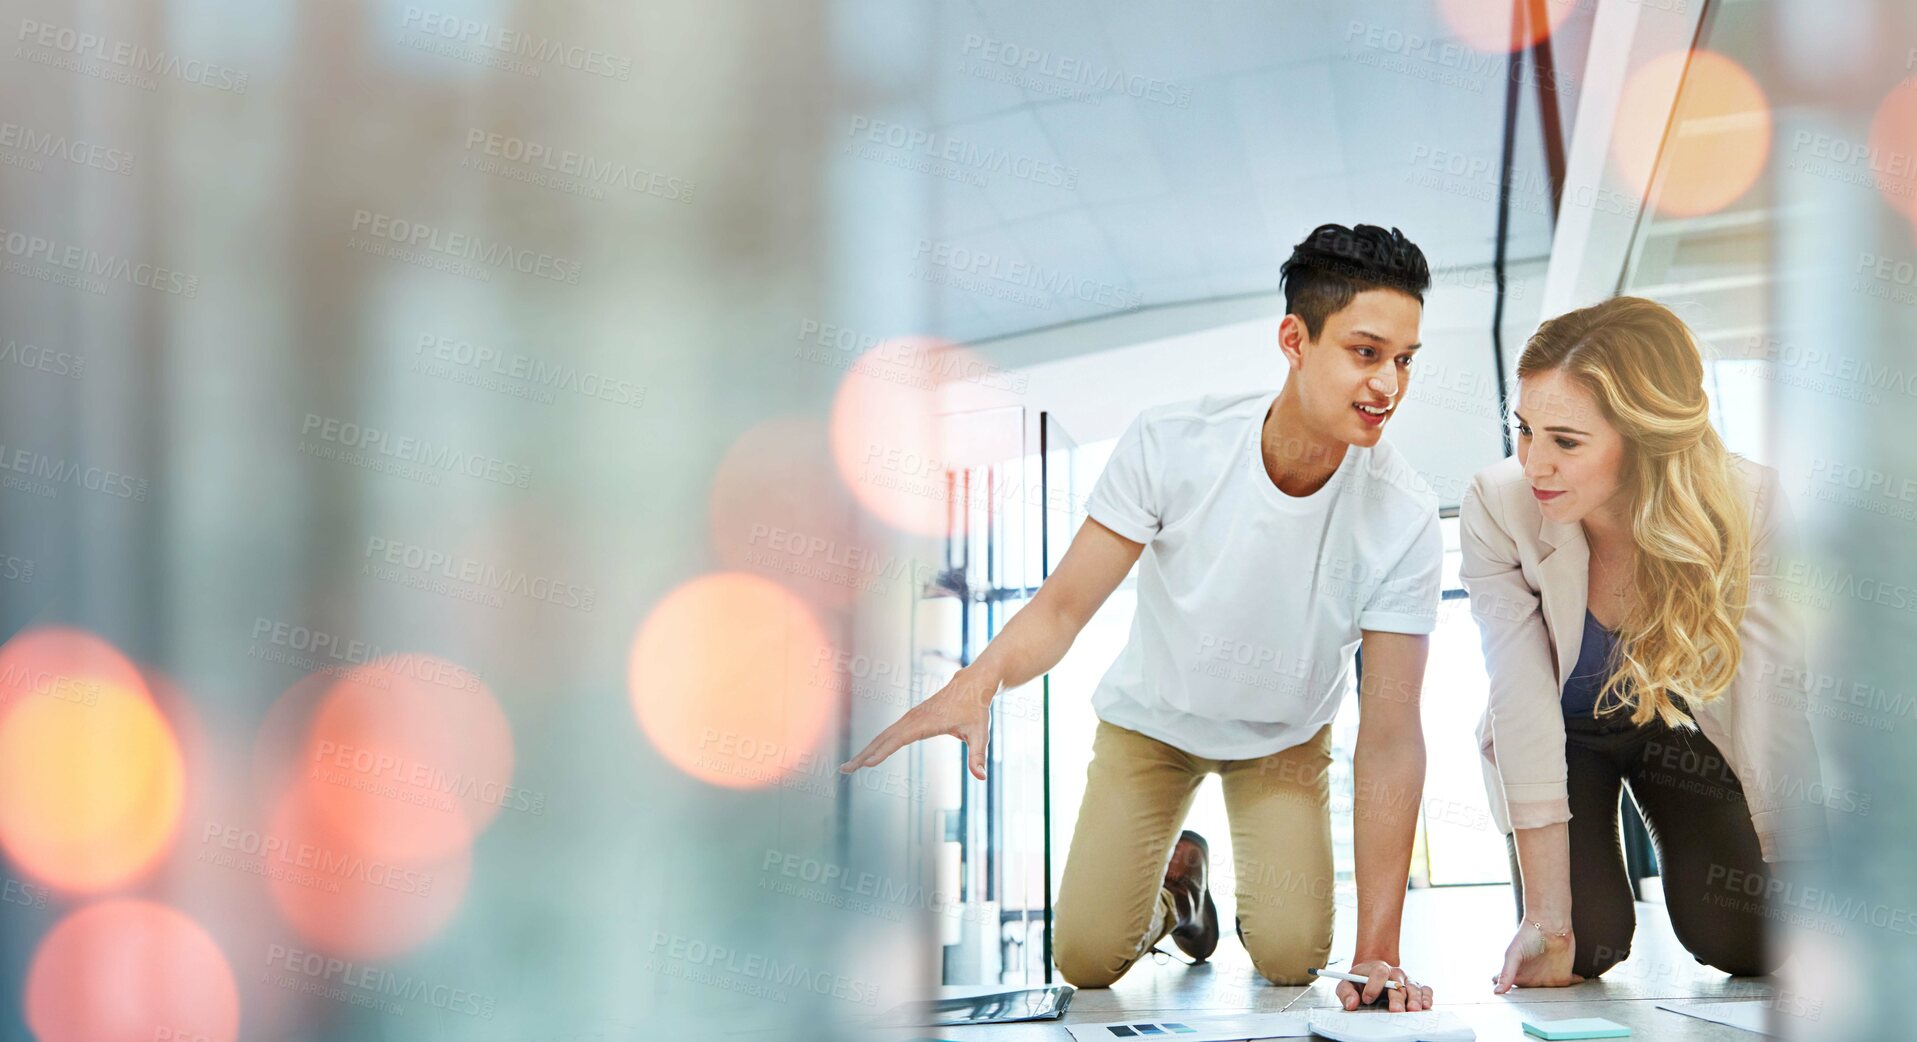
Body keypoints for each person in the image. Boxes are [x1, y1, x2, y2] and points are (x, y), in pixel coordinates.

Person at [842, 224, 1444, 1011]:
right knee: (1087, 959)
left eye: (1403, 359)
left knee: (1294, 959)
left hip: (1283, 740)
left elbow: (1393, 735)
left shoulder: (1402, 514)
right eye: (1366, 353)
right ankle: (1180, 888)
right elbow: (1062, 608)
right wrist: (977, 679)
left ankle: (1207, 894)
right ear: (1294, 339)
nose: (1388, 384)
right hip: (1152, 725)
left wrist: (1379, 952)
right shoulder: (1173, 442)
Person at [1459, 296, 1828, 992]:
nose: (1532, 462)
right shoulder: (1495, 505)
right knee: (1581, 947)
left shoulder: (1746, 502)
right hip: (1561, 736)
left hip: (1675, 726)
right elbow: (1521, 696)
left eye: (1564, 441)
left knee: (1753, 944)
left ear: (1643, 436)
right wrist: (1544, 919)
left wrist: (1793, 871)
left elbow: (1770, 694)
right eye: (1523, 429)